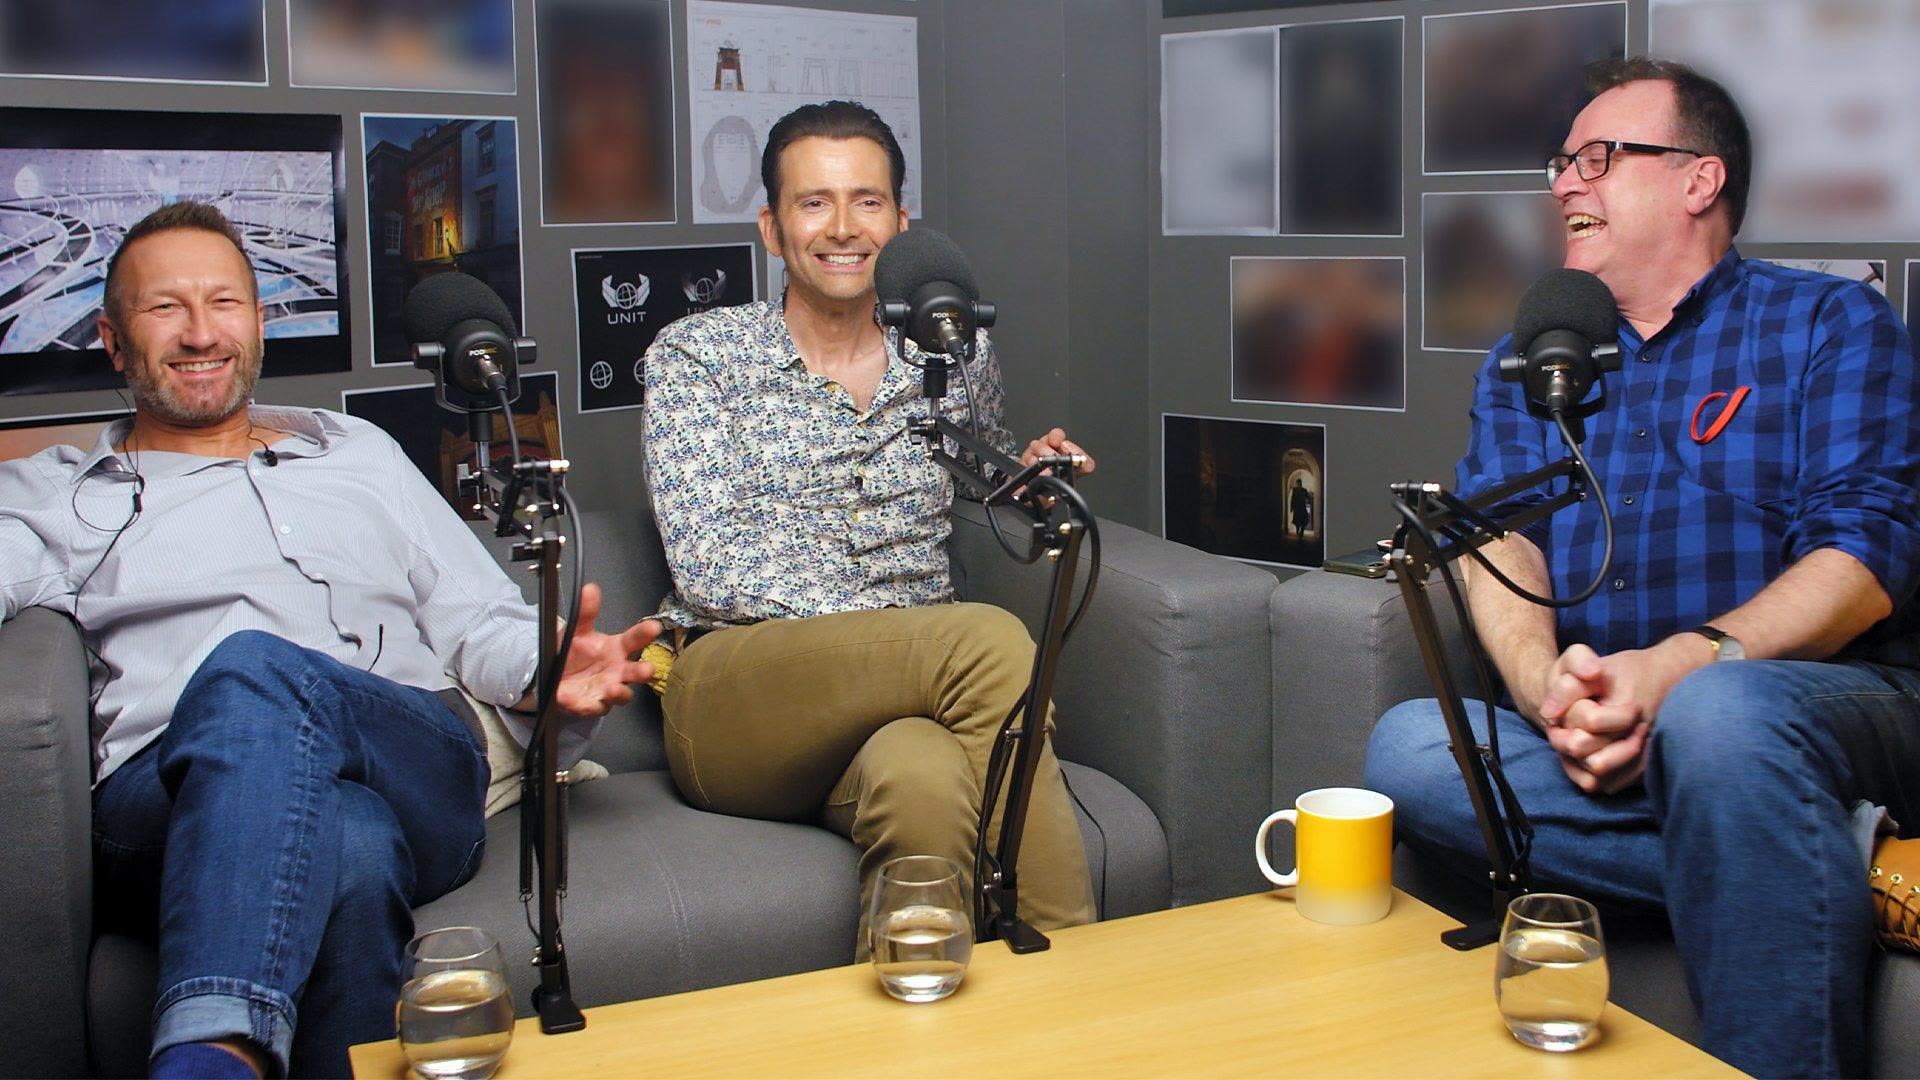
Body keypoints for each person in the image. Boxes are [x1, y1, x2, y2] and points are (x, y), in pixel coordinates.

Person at [0, 201, 659, 1078]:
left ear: (258, 322)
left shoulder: (358, 452)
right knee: (347, 839)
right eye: (165, 309)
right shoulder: (52, 495)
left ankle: (208, 1057)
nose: (201, 333)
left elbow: (476, 621)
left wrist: (546, 671)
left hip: (409, 758)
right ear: (113, 341)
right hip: (167, 792)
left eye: (224, 304)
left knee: (252, 669)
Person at [1363, 58, 1920, 1078]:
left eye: (1599, 158)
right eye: (1562, 164)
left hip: (1810, 695)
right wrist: (1547, 689)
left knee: (1720, 719)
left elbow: (1865, 559)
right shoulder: (1530, 360)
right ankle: (1833, 855)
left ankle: (1756, 810)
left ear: (1699, 179)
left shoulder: (1828, 324)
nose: (1564, 185)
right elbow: (1500, 538)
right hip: (1609, 720)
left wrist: (1679, 669)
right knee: (1411, 750)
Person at [641, 101, 1098, 949]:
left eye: (868, 201)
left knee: (924, 781)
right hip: (737, 688)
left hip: (901, 696)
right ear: (772, 228)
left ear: (900, 223)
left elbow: (978, 473)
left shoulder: (949, 353)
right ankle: (1077, 976)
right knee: (986, 643)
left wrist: (1025, 478)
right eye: (814, 202)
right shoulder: (699, 355)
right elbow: (708, 563)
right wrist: (900, 634)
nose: (844, 227)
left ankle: (920, 1010)